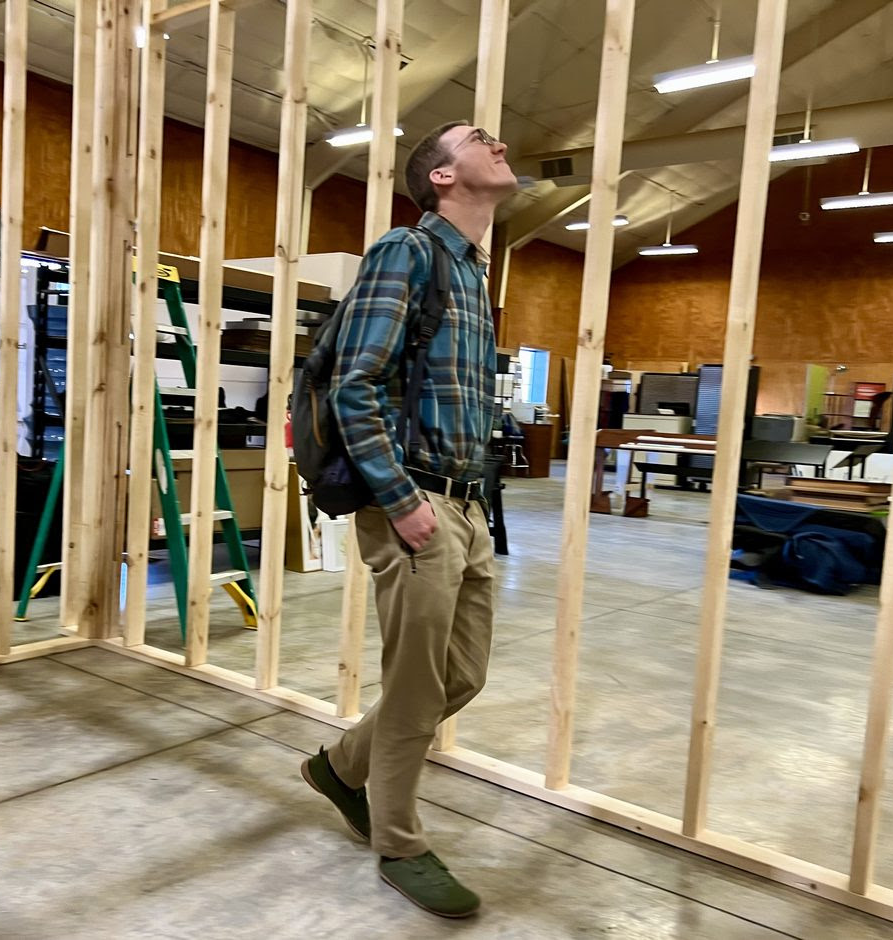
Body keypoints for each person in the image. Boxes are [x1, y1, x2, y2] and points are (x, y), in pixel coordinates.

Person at [300, 121, 519, 918]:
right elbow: (356, 384)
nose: (500, 144)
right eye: (480, 139)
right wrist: (401, 502)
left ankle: (339, 768)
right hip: (416, 503)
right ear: (441, 177)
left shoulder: (472, 272)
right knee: (417, 683)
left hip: (466, 501)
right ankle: (399, 841)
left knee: (461, 674)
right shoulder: (407, 252)